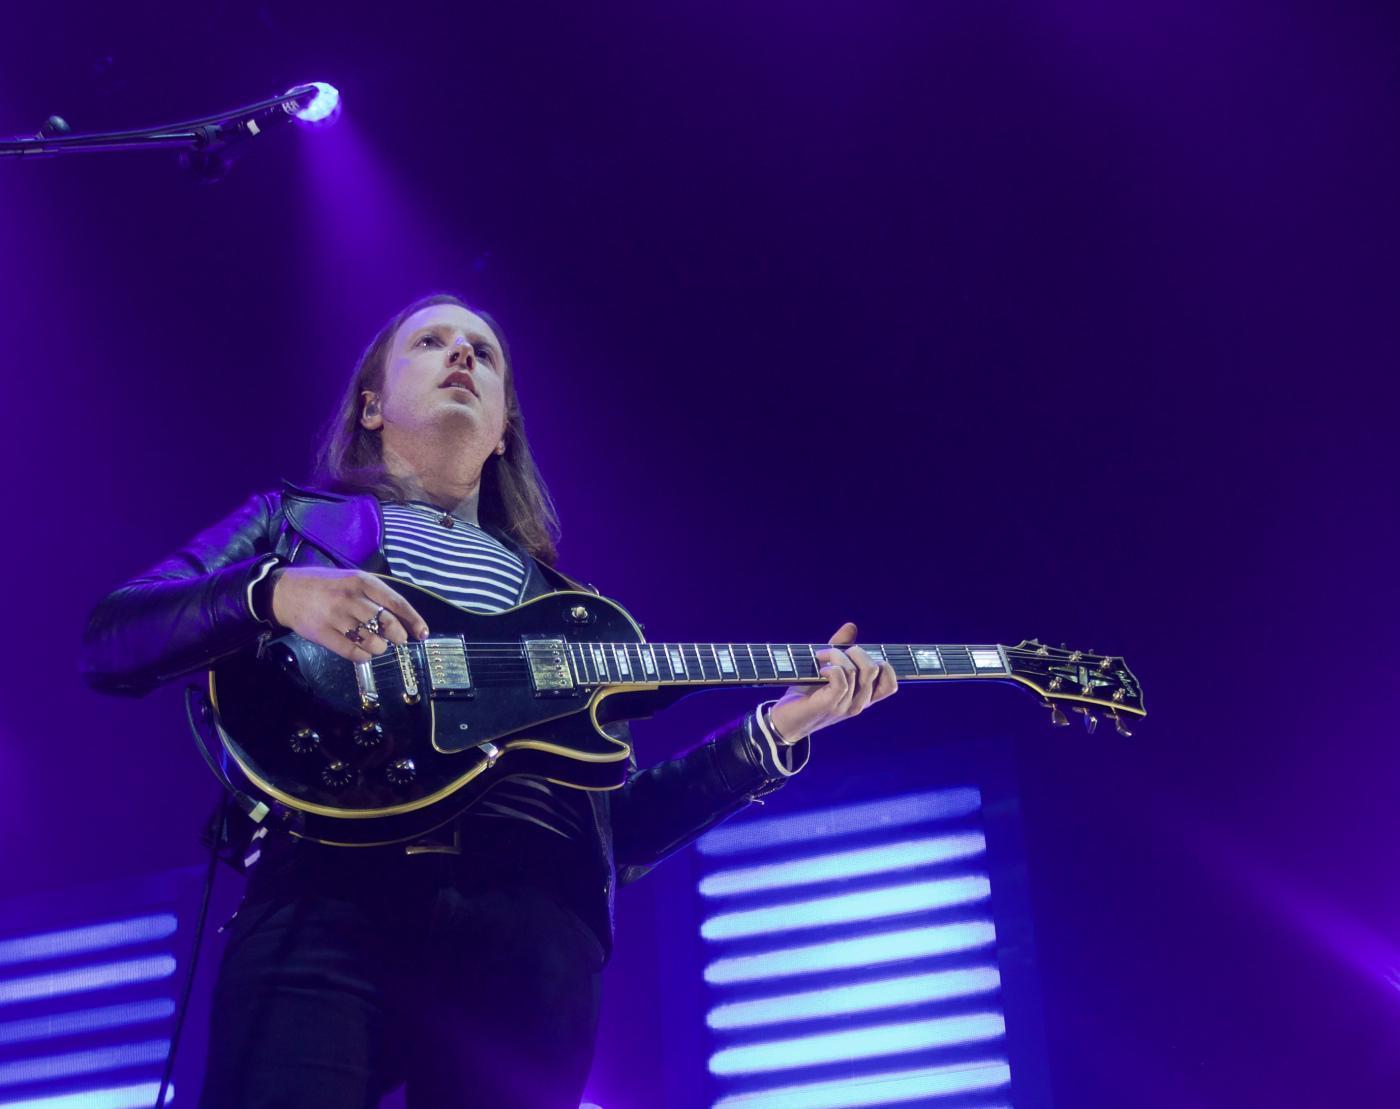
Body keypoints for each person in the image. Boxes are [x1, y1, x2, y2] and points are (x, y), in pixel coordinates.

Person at [80, 292, 898, 1108]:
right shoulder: (292, 527)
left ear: (503, 427)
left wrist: (773, 732)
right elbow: (113, 636)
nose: (461, 355)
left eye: (485, 351)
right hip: (321, 895)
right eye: (431, 342)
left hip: (531, 926)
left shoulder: (574, 613)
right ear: (371, 406)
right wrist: (272, 592)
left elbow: (618, 831)